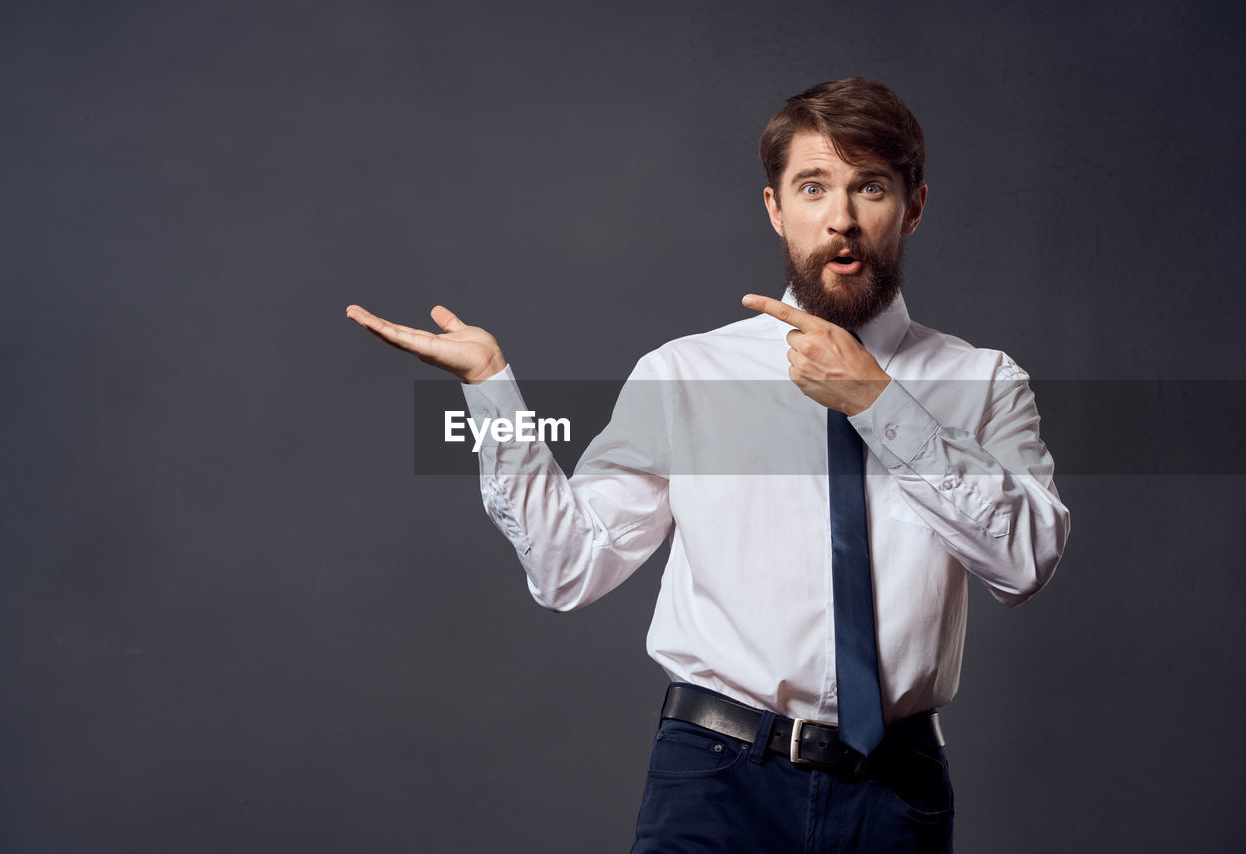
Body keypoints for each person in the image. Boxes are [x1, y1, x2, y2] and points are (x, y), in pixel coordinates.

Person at [346, 78, 1070, 853]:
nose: (842, 219)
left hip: (896, 793)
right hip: (717, 783)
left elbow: (1025, 562)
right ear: (775, 209)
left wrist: (879, 403)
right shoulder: (684, 375)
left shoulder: (985, 382)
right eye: (814, 187)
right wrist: (491, 390)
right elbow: (568, 568)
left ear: (914, 207)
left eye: (871, 188)